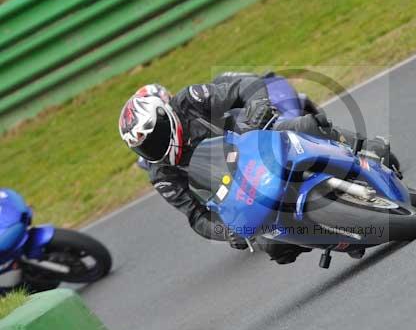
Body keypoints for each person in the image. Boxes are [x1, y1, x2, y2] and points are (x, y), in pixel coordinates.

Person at [118, 72, 397, 264]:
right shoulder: (162, 174)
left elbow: (245, 85)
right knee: (275, 248)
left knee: (303, 126)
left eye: (154, 138)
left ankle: (358, 147)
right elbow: (196, 216)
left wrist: (257, 108)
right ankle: (335, 240)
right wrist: (227, 232)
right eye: (145, 147)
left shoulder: (189, 100)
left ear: (165, 116)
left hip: (253, 139)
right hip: (236, 190)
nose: (154, 149)